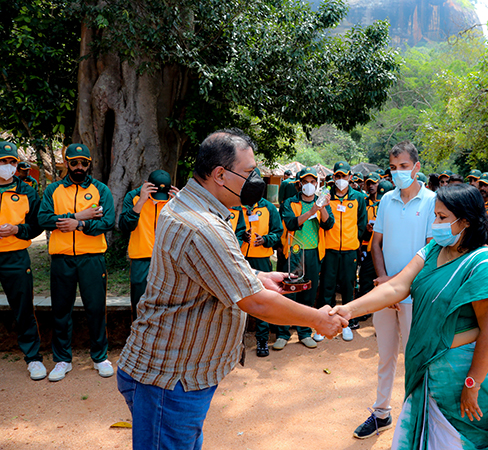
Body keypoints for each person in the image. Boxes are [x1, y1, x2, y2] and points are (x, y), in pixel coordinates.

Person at [117, 129, 346, 450]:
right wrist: (317, 320)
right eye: (249, 172)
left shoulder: (190, 205)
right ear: (220, 175)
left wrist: (257, 276)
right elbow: (256, 303)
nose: (256, 180)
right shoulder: (202, 226)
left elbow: (210, 270)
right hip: (170, 379)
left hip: (176, 372)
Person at [334, 184, 488, 450]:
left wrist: (472, 383)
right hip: (428, 368)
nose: (435, 224)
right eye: (435, 216)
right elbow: (396, 287)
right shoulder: (433, 250)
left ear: (465, 221)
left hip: (465, 375)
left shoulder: (484, 265)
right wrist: (347, 310)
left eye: (442, 217)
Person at [354, 141, 436, 439]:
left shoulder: (432, 201)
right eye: (393, 167)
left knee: (415, 358)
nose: (398, 172)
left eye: (403, 166)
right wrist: (385, 282)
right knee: (385, 356)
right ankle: (381, 413)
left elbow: (430, 250)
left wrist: (397, 286)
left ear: (416, 167)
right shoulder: (386, 200)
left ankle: (417, 418)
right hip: (386, 293)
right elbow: (376, 244)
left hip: (416, 294)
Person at [38, 143, 115, 382]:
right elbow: (43, 218)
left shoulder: (100, 189)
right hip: (62, 258)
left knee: (95, 308)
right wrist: (75, 216)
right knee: (61, 310)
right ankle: (62, 359)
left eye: (84, 163)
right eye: (74, 162)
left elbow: (107, 221)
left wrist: (80, 224)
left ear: (89, 164)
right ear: (66, 163)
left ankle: (100, 356)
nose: (79, 167)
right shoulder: (54, 190)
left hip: (92, 258)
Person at [0, 141, 45, 380]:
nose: (8, 166)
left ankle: (33, 358)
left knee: (23, 307)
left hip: (15, 256)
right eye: (3, 161)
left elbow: (37, 224)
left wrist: (17, 229)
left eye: (12, 162)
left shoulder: (26, 190)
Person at [276, 166, 334, 349]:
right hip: (294, 252)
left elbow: (328, 225)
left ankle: (304, 332)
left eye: (312, 182)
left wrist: (322, 207)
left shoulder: (322, 201)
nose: (309, 185)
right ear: (299, 184)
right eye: (305, 182)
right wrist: (311, 211)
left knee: (309, 293)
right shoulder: (290, 202)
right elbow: (291, 224)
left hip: (313, 252)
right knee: (289, 293)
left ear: (317, 184)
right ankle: (283, 334)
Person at [118, 170, 178, 321]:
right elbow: (124, 226)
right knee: (140, 304)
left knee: (167, 305)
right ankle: (138, 334)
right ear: (147, 185)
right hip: (141, 259)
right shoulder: (133, 197)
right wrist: (141, 202)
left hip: (167, 260)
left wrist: (180, 206)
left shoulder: (174, 200)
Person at [239, 168, 284, 357]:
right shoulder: (236, 205)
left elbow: (278, 232)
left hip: (262, 259)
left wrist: (265, 239)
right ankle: (236, 341)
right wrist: (242, 236)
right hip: (240, 258)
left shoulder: (269, 207)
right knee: (237, 297)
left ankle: (262, 339)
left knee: (262, 298)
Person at [320, 161, 367, 341]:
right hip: (330, 249)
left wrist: (353, 241)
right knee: (327, 287)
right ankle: (325, 323)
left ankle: (347, 324)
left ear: (350, 177)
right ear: (333, 177)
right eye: (337, 176)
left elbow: (361, 223)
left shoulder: (358, 198)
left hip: (349, 250)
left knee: (348, 286)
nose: (341, 179)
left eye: (344, 176)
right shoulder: (327, 197)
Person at [355, 172, 381, 327]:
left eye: (374, 183)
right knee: (365, 279)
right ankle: (365, 310)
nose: (371, 186)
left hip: (383, 249)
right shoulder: (363, 202)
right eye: (369, 183)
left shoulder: (385, 202)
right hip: (366, 247)